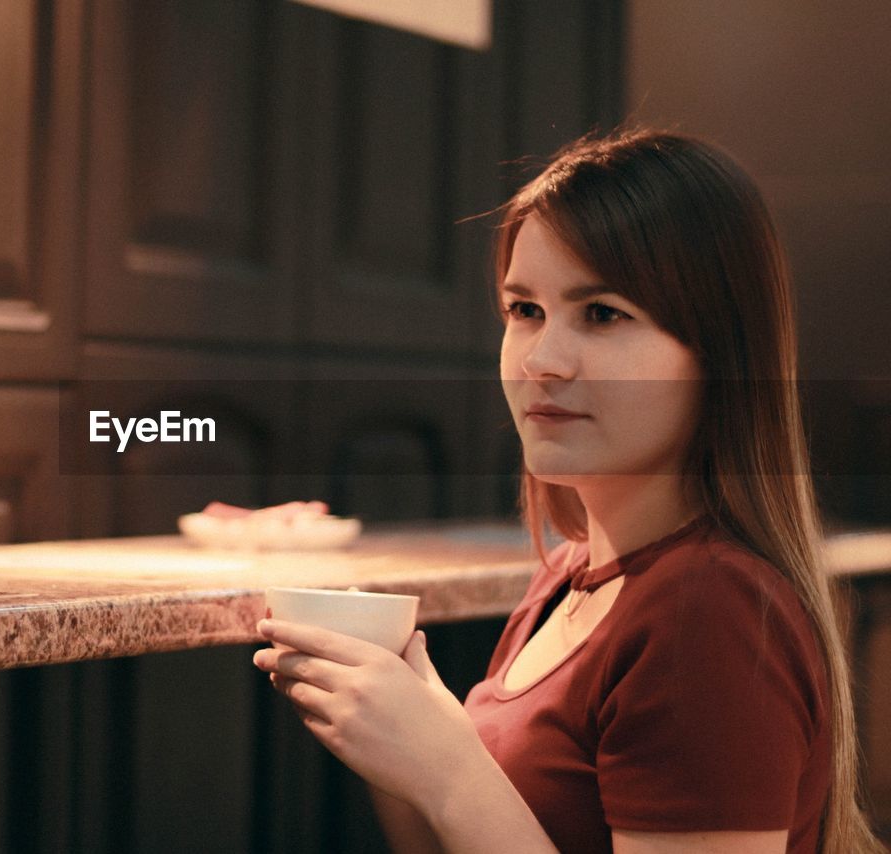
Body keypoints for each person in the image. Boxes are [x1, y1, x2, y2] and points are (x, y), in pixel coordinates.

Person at [252, 129, 883, 853]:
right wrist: (394, 740)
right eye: (525, 311)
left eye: (604, 314)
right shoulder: (571, 574)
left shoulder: (710, 611)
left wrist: (450, 770)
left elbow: (465, 796)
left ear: (721, 357)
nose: (542, 361)